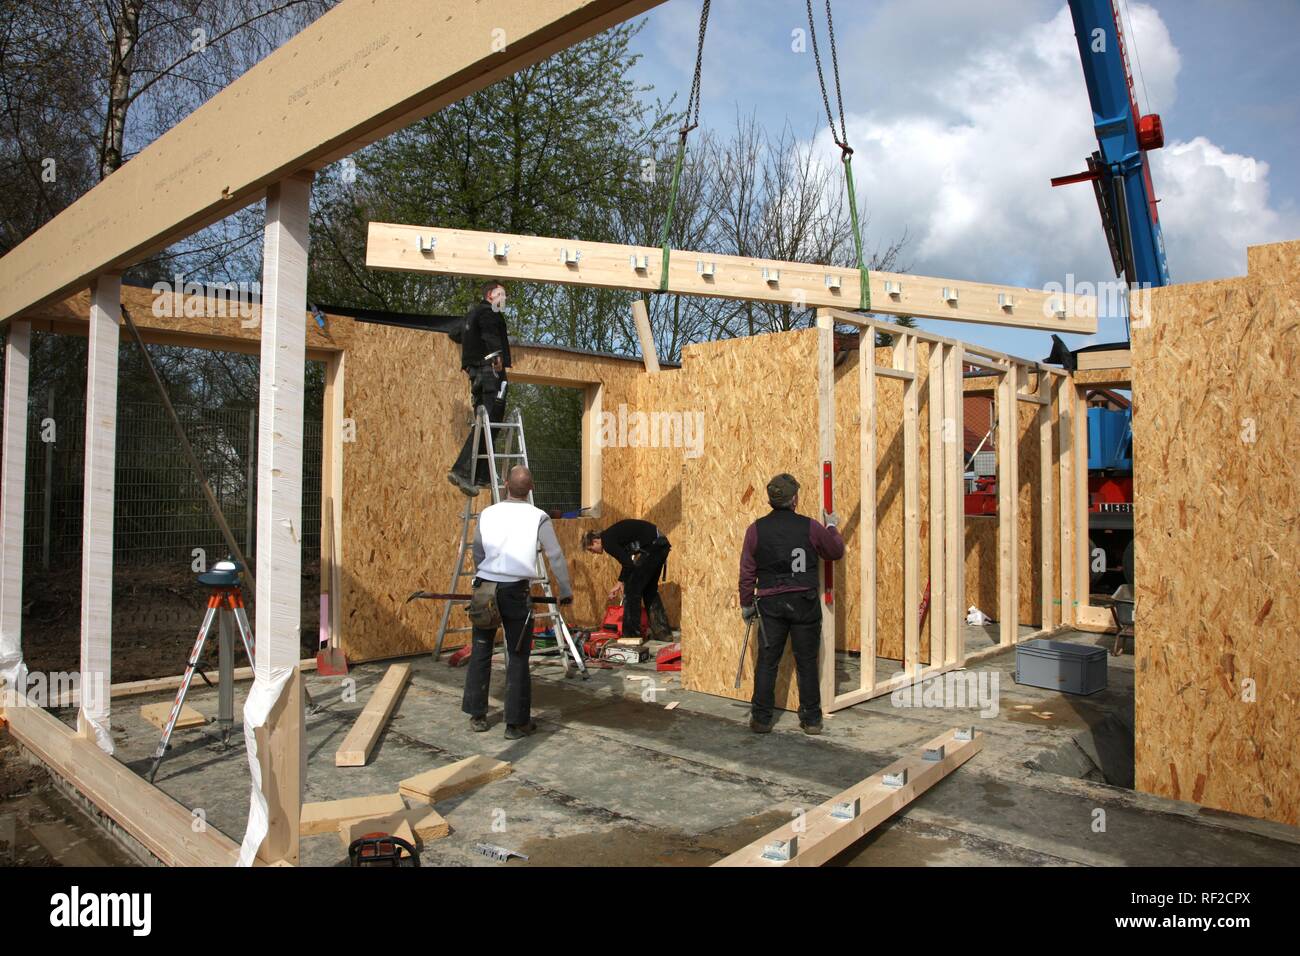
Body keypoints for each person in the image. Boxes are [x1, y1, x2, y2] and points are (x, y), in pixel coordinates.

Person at [463, 465, 573, 739]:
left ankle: (477, 715)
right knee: (518, 654)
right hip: (515, 592)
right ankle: (516, 724)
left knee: (481, 649)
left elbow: (478, 550)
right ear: (531, 488)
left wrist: (485, 574)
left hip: (484, 589)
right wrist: (566, 590)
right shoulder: (539, 517)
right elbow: (555, 555)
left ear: (505, 486)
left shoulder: (488, 513)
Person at [738, 473, 844, 736]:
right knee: (807, 661)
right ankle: (812, 720)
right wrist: (831, 526)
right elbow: (835, 551)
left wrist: (746, 603)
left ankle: (761, 719)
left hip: (770, 603)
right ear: (794, 499)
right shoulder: (809, 526)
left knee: (767, 661)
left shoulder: (756, 529)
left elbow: (747, 571)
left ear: (771, 499)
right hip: (803, 601)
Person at [448, 281, 512, 496]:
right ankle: (463, 470)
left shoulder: (472, 315)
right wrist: (496, 356)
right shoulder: (488, 312)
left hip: (478, 375)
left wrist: (470, 349)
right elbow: (490, 335)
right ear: (490, 295)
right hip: (490, 371)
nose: (505, 299)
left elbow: (455, 333)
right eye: (501, 294)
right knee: (490, 421)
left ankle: (480, 474)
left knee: (486, 422)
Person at [582, 519, 672, 640]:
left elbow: (628, 564)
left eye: (590, 549)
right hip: (661, 545)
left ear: (595, 541)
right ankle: (663, 633)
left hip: (653, 547)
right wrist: (625, 580)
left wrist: (619, 583)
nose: (593, 553)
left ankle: (631, 636)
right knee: (649, 590)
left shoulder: (607, 541)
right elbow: (630, 562)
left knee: (632, 591)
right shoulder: (612, 535)